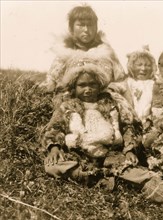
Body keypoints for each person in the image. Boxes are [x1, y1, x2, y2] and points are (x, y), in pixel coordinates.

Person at [42, 55, 140, 187]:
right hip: (78, 155)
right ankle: (101, 179)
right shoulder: (67, 106)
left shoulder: (110, 104)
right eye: (82, 85)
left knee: (137, 171)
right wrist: (54, 148)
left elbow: (128, 127)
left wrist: (129, 150)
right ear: (74, 87)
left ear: (99, 85)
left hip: (110, 153)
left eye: (92, 84)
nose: (88, 89)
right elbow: (54, 128)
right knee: (52, 166)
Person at [39, 5, 125, 95]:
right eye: (80, 25)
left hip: (105, 103)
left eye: (90, 25)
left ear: (96, 27)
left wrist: (111, 90)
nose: (86, 30)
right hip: (70, 104)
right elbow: (51, 81)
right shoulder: (64, 55)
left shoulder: (107, 53)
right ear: (71, 28)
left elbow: (122, 81)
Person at [108, 46, 157, 132]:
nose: (143, 68)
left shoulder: (154, 84)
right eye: (139, 65)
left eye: (148, 65)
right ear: (132, 66)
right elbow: (113, 88)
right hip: (131, 125)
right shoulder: (127, 83)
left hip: (150, 125)